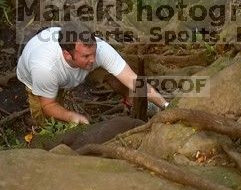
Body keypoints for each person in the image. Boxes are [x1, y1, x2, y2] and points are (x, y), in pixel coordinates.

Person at [16, 20, 169, 125]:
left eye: (94, 53)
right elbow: (48, 105)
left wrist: (165, 104)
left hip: (68, 68)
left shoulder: (99, 50)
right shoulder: (44, 68)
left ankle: (129, 100)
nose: (92, 59)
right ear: (67, 54)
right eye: (86, 56)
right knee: (45, 120)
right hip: (35, 78)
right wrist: (73, 116)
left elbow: (133, 80)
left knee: (114, 75)